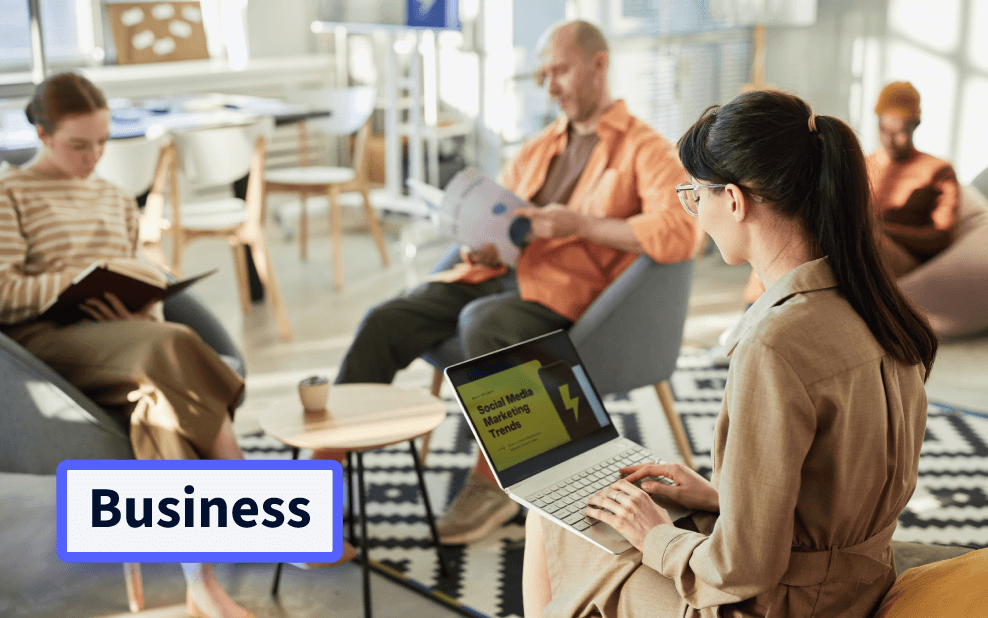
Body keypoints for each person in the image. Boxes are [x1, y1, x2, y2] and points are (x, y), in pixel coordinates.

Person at [523, 90, 938, 618]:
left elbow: (742, 570)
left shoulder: (775, 343)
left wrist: (656, 538)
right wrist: (722, 496)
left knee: (555, 520)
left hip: (781, 606)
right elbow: (831, 495)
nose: (695, 214)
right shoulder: (879, 306)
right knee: (636, 517)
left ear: (735, 201)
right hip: (857, 586)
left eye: (695, 197)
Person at [334, 20, 697, 545]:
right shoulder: (540, 145)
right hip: (497, 276)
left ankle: (497, 485)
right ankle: (321, 482)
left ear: (599, 65)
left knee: (482, 321)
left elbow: (681, 231)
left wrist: (580, 225)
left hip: (573, 305)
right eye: (544, 74)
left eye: (561, 71)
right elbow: (502, 218)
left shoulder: (647, 149)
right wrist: (478, 244)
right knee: (386, 319)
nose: (550, 86)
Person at [0, 73, 346, 618]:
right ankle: (259, 512)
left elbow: (140, 282)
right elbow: (4, 290)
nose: (93, 157)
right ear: (42, 135)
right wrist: (73, 283)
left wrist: (140, 309)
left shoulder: (115, 198)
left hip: (125, 339)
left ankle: (201, 588)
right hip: (45, 346)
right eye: (78, 145)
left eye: (102, 143)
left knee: (155, 404)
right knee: (170, 346)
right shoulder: (10, 194)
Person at [740, 81, 960, 304]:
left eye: (899, 131)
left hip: (899, 253)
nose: (890, 139)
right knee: (787, 225)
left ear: (915, 125)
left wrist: (880, 227)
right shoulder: (862, 163)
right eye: (884, 129)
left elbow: (941, 236)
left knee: (856, 234)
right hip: (860, 237)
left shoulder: (937, 170)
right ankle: (757, 307)